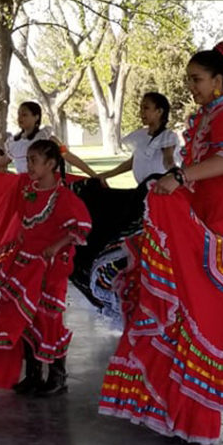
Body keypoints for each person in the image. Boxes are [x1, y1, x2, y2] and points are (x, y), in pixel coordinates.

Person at [98, 42, 223, 444]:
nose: (192, 86)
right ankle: (185, 405)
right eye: (190, 80)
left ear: (219, 80)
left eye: (197, 79)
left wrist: (182, 177)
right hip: (214, 226)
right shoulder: (207, 117)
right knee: (198, 314)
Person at [0, 140, 91, 395]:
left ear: (51, 164)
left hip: (50, 268)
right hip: (25, 264)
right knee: (23, 317)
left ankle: (57, 377)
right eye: (28, 159)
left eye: (34, 160)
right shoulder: (25, 186)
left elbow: (79, 229)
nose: (29, 165)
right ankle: (33, 374)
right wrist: (2, 161)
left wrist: (56, 246)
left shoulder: (63, 196)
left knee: (49, 317)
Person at [71, 93, 178, 309]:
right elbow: (131, 163)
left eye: (147, 108)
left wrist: (174, 172)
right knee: (95, 195)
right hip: (139, 191)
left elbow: (169, 159)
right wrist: (106, 175)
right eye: (141, 107)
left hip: (153, 193)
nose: (142, 112)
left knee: (121, 218)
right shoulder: (141, 136)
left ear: (160, 111)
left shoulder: (168, 137)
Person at [5, 101, 98, 179]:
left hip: (47, 186)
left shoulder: (49, 138)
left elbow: (67, 154)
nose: (20, 118)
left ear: (36, 117)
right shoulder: (14, 143)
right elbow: (1, 162)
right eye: (19, 114)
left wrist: (93, 175)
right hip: (24, 188)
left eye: (24, 115)